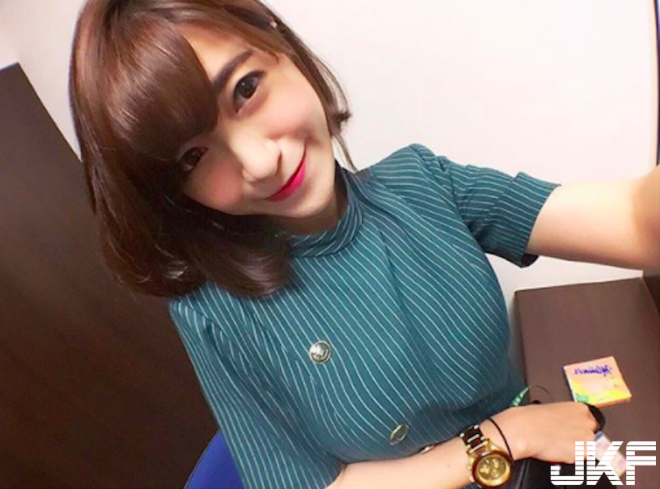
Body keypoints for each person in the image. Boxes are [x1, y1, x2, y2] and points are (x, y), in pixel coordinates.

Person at [68, 1, 659, 488]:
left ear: (279, 43)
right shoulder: (213, 309)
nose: (259, 161)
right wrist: (506, 435)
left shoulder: (423, 183)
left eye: (246, 89)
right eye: (194, 156)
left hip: (539, 461)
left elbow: (635, 220)